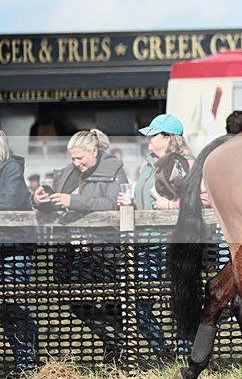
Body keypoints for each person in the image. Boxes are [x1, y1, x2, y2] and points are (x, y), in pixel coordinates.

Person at [31, 129, 128, 364]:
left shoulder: (114, 169)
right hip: (74, 251)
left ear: (94, 151)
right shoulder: (66, 174)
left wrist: (73, 201)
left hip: (105, 249)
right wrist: (39, 201)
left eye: (80, 158)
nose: (76, 163)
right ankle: (116, 340)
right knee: (75, 298)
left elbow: (111, 205)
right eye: (72, 158)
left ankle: (115, 356)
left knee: (111, 304)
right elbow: (55, 207)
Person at [122, 114, 210, 361]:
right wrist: (131, 201)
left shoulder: (188, 164)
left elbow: (204, 199)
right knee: (138, 303)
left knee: (181, 297)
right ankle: (164, 352)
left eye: (153, 135)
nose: (148, 140)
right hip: (144, 244)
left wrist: (172, 206)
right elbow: (145, 198)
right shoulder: (147, 166)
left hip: (175, 242)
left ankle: (188, 355)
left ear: (169, 138)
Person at [0, 131, 40, 375]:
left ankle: (28, 362)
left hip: (14, 247)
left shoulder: (11, 168)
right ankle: (23, 361)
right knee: (5, 308)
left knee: (14, 305)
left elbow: (9, 204)